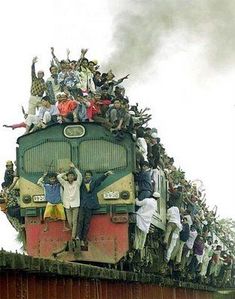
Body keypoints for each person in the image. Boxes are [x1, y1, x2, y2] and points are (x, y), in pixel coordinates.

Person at [76, 170, 113, 246]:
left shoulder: (94, 183)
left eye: (89, 175)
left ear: (91, 176)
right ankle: (78, 237)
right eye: (86, 175)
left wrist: (106, 174)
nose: (87, 176)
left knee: (87, 223)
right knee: (80, 221)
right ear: (84, 176)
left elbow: (100, 179)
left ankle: (83, 239)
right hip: (82, 205)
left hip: (90, 205)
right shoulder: (81, 183)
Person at [57, 163, 82, 239]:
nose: (70, 177)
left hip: (75, 204)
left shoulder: (77, 183)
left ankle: (73, 236)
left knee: (74, 221)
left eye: (72, 176)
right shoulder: (65, 183)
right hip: (67, 205)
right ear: (67, 177)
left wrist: (74, 168)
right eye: (69, 176)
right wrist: (65, 173)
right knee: (70, 221)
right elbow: (58, 176)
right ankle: (74, 232)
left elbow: (80, 176)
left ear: (74, 177)